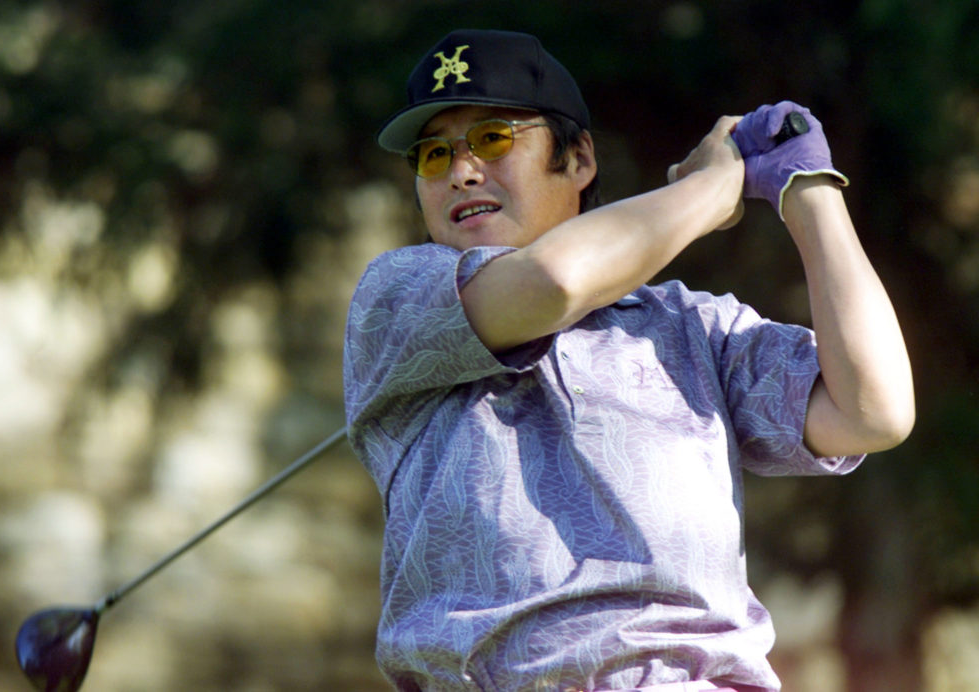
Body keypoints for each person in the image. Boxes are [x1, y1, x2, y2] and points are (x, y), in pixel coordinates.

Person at [342, 29, 914, 692]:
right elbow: (554, 283)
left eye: (494, 139)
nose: (461, 171)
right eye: (434, 156)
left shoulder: (692, 324)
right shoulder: (397, 297)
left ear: (579, 158)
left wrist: (806, 187)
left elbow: (873, 409)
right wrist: (712, 190)